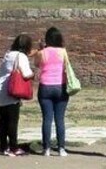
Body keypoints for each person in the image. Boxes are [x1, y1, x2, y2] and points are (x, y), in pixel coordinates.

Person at [0, 34, 35, 156]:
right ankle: (14, 147)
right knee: (12, 120)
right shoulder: (21, 56)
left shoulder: (9, 54)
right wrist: (34, 74)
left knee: (2, 119)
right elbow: (26, 74)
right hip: (10, 91)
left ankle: (3, 146)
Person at [35, 27, 70, 157]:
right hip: (60, 86)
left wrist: (41, 49)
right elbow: (66, 65)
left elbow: (37, 64)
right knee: (60, 119)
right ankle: (61, 148)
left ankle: (47, 149)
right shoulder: (63, 52)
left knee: (47, 119)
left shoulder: (42, 53)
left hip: (45, 86)